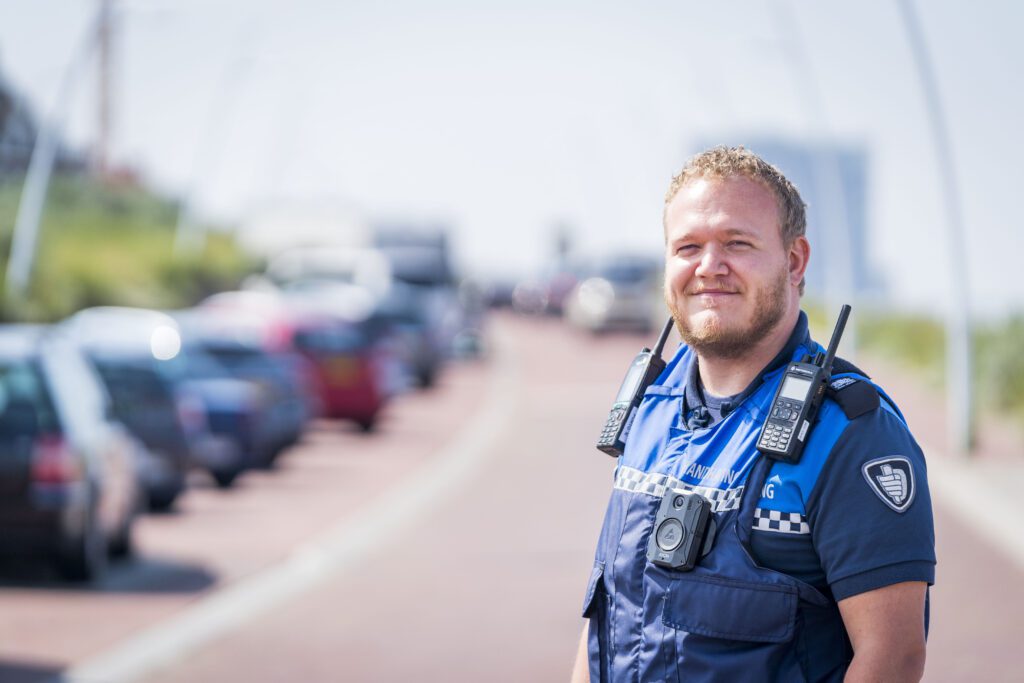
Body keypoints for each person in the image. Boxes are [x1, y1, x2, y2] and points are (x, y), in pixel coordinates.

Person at [570, 146, 935, 683]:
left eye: (737, 244)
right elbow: (608, 613)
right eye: (687, 246)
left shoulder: (850, 432)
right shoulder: (649, 408)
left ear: (794, 260)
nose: (708, 267)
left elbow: (893, 659)